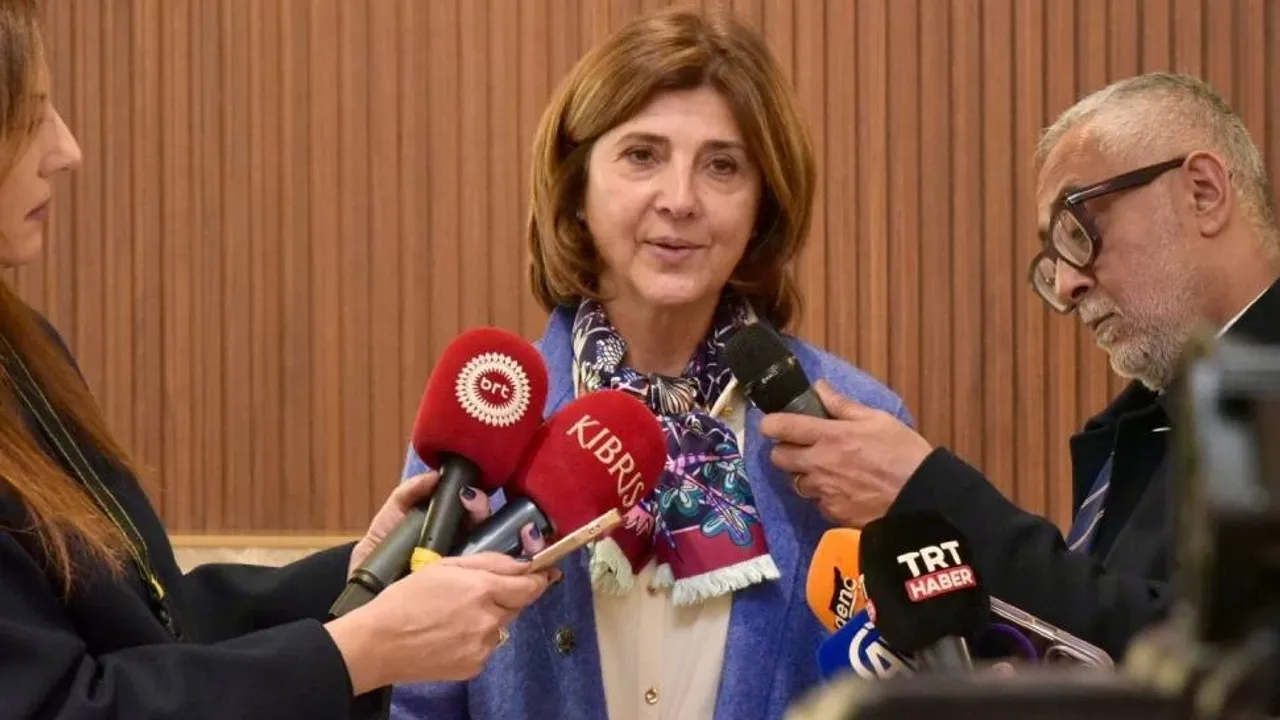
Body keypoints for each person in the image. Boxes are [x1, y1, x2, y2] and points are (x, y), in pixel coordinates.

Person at [0, 3, 553, 718]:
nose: (67, 149)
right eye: (30, 116)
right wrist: (354, 655)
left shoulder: (26, 349)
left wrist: (362, 574)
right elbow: (61, 702)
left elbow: (151, 624)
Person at [390, 6, 910, 720]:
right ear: (576, 188)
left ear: (763, 205)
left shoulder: (853, 422)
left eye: (722, 166)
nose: (680, 200)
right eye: (642, 156)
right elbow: (415, 700)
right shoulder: (491, 413)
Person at [760, 71, 1280, 661]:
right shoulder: (1144, 426)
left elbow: (1225, 661)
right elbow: (1116, 640)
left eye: (1079, 230)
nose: (1067, 284)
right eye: (1053, 257)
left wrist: (931, 498)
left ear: (1203, 193)